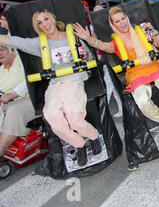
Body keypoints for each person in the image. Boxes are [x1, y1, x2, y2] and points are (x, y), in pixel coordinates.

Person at [73, 7, 159, 148]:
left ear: (127, 18)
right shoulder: (116, 41)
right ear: (113, 25)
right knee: (142, 102)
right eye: (117, 21)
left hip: (153, 69)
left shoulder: (141, 32)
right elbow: (103, 46)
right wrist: (88, 39)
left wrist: (153, 32)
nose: (122, 23)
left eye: (123, 18)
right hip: (136, 75)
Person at [0, 10, 102, 166]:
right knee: (52, 117)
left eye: (46, 19)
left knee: (74, 116)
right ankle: (79, 144)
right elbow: (13, 41)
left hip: (74, 79)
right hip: (55, 84)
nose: (44, 24)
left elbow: (90, 56)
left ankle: (94, 137)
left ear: (53, 19)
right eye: (40, 22)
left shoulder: (71, 35)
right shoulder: (39, 43)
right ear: (38, 27)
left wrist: (85, 56)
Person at [0, 40, 36, 158]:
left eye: (2, 50)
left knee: (14, 111)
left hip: (29, 99)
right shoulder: (1, 70)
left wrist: (13, 94)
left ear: (11, 49)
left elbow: (29, 81)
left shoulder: (21, 62)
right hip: (6, 104)